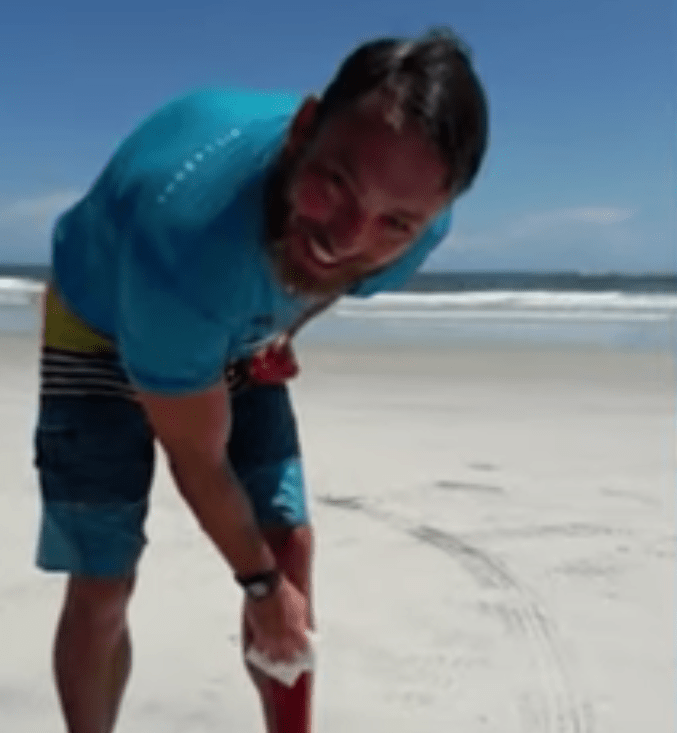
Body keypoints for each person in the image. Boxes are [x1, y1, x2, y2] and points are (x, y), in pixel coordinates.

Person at [33, 27, 489, 733]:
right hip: (101, 320)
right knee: (104, 578)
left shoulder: (414, 226)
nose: (345, 236)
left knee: (289, 546)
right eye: (334, 182)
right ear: (302, 130)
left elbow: (342, 269)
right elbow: (197, 456)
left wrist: (283, 332)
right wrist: (258, 585)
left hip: (228, 314)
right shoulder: (184, 242)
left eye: (392, 222)